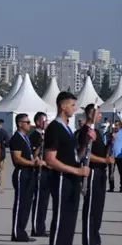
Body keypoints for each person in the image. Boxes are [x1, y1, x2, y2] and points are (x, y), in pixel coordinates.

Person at [44, 92, 92, 245]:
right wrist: (77, 171)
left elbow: (75, 156)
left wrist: (86, 143)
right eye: (72, 105)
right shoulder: (54, 128)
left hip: (72, 180)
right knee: (61, 220)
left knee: (70, 220)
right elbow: (50, 160)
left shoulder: (67, 129)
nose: (75, 108)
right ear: (62, 106)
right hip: (61, 179)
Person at [78, 103, 113, 245]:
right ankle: (89, 240)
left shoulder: (97, 132)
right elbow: (86, 154)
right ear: (91, 115)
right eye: (98, 114)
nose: (101, 116)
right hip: (91, 172)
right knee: (91, 209)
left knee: (98, 209)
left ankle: (95, 239)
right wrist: (104, 159)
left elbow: (103, 151)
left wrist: (111, 141)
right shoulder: (85, 132)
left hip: (101, 173)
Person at [9, 113, 42, 242]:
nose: (29, 124)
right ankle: (17, 233)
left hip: (29, 172)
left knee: (27, 204)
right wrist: (32, 163)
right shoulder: (16, 138)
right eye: (27, 122)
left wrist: (36, 155)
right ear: (19, 123)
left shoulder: (26, 138)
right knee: (20, 204)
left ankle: (22, 231)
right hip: (21, 173)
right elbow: (17, 158)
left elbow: (30, 155)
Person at [29, 112, 50, 237]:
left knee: (44, 201)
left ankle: (41, 226)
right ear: (37, 122)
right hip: (38, 172)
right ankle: (36, 228)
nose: (46, 123)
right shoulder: (35, 136)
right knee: (39, 201)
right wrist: (41, 144)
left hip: (47, 171)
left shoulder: (47, 135)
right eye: (44, 120)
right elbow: (33, 155)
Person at [0, 118, 10, 194]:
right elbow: (7, 144)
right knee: (1, 172)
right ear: (2, 124)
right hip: (2, 154)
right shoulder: (4, 132)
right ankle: (0, 188)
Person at [110, 120, 122, 192]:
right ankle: (111, 187)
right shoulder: (111, 133)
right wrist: (112, 138)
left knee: (121, 172)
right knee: (111, 173)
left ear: (120, 126)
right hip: (112, 156)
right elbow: (108, 144)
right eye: (115, 125)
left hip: (120, 157)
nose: (116, 126)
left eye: (117, 125)